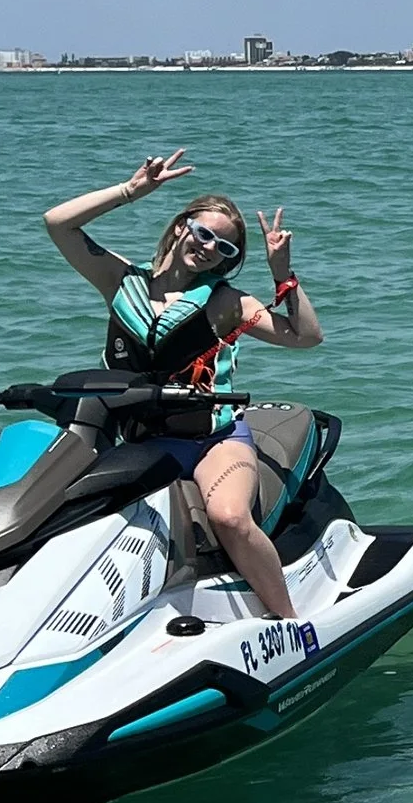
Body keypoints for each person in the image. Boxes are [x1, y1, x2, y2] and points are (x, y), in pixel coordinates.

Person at [42, 148, 322, 620]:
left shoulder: (226, 302)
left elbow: (306, 337)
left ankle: (290, 621)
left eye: (224, 248)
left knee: (230, 518)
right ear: (180, 228)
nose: (209, 247)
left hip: (214, 440)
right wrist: (130, 191)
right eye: (204, 233)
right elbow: (58, 224)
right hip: (142, 441)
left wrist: (282, 275)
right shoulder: (120, 281)